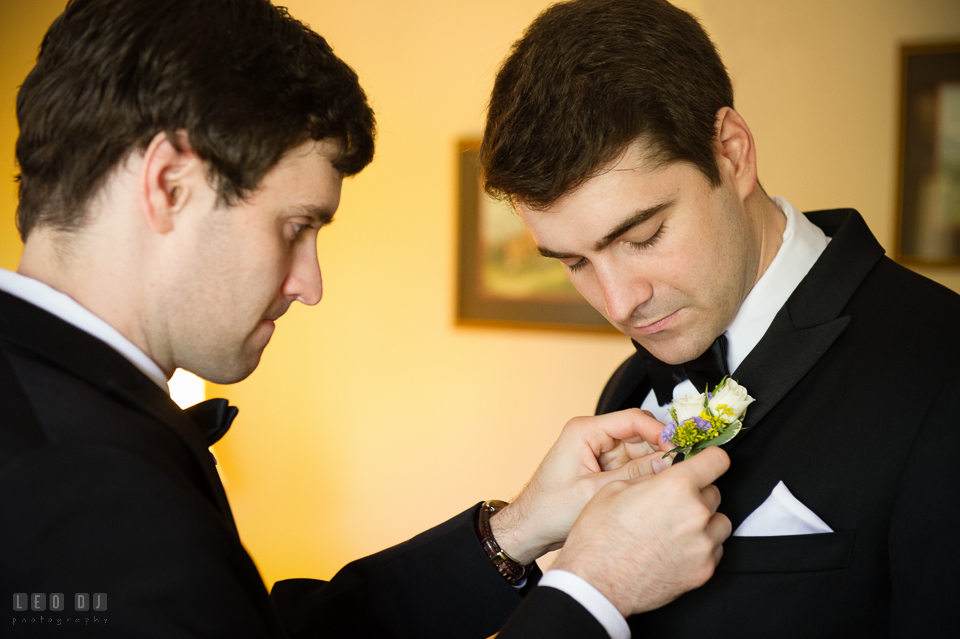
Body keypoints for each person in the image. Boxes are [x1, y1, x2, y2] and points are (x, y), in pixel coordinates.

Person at [0, 1, 732, 637]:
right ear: (168, 184)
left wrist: (512, 531)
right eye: (295, 226)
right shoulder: (74, 490)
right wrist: (591, 591)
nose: (310, 284)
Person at [481, 0, 960, 636]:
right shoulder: (628, 393)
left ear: (731, 153)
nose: (620, 304)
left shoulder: (942, 366)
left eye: (644, 236)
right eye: (574, 262)